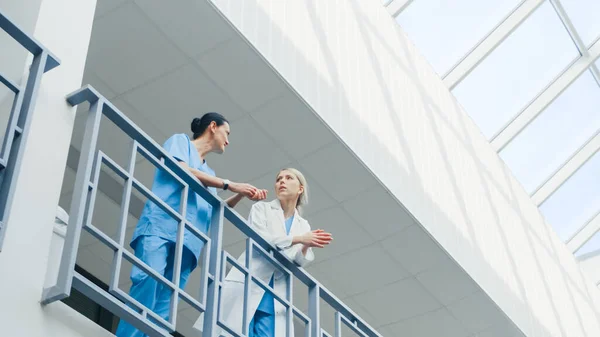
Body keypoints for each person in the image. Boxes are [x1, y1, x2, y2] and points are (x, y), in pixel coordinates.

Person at [115, 112, 268, 337]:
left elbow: (217, 208)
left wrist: (241, 194)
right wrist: (231, 184)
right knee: (147, 280)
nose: (229, 140)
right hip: (161, 226)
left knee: (166, 304)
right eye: (227, 133)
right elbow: (182, 169)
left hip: (189, 244)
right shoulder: (180, 142)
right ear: (213, 126)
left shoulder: (211, 174)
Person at [194, 168, 333, 337]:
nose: (282, 181)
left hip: (275, 297)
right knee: (233, 331)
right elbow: (263, 239)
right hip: (249, 283)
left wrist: (306, 245)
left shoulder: (303, 225)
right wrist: (300, 239)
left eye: (289, 178)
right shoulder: (261, 209)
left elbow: (298, 261)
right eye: (278, 179)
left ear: (300, 189)